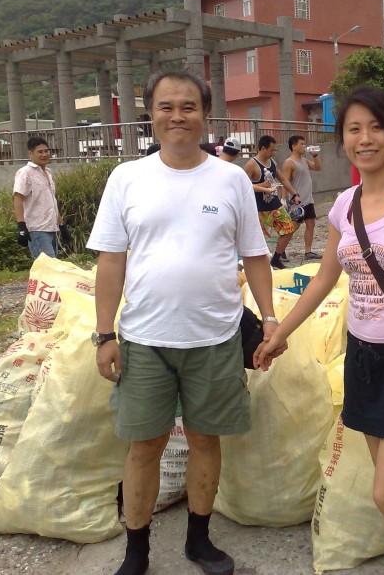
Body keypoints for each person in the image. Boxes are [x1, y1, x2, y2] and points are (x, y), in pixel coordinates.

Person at [254, 87, 384, 575]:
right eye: (353, 129)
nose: (365, 138)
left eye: (375, 127)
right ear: (342, 139)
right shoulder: (344, 204)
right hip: (363, 356)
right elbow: (325, 277)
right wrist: (280, 331)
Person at [87, 70, 279, 575]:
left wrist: (273, 319)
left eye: (188, 106)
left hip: (215, 337)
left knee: (204, 440)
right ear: (150, 113)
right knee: (144, 444)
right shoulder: (127, 178)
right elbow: (111, 261)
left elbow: (256, 255)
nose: (178, 116)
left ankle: (199, 540)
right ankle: (137, 550)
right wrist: (105, 334)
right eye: (167, 106)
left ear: (205, 114)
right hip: (144, 340)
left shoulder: (231, 178)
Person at [243, 135, 301, 269]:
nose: (273, 153)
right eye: (272, 150)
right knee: (258, 238)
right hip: (258, 208)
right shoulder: (252, 164)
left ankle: (276, 257)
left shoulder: (273, 163)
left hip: (274, 205)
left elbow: (283, 179)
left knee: (288, 228)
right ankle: (258, 264)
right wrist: (263, 186)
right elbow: (243, 186)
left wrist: (294, 194)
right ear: (263, 148)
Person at [13, 136, 70, 259]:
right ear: (30, 154)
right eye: (40, 152)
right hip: (37, 229)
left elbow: (51, 201)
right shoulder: (25, 173)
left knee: (50, 268)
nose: (44, 154)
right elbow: (18, 198)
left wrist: (61, 225)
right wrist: (21, 226)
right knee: (49, 268)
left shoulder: (48, 173)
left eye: (46, 151)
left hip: (51, 228)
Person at [280, 135, 323, 260]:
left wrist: (315, 156)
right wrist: (283, 199)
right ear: (294, 146)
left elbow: (318, 168)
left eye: (304, 144)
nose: (304, 146)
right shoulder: (289, 163)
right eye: (302, 144)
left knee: (311, 224)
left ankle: (308, 252)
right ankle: (280, 251)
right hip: (296, 201)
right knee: (293, 226)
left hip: (308, 199)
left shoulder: (304, 160)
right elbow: (285, 181)